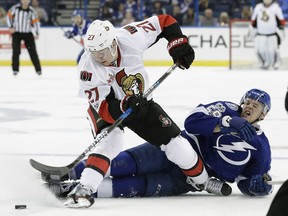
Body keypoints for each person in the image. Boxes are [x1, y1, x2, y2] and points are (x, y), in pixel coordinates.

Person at [58, 14, 232, 208]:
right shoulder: (87, 69)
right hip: (108, 107)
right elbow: (105, 109)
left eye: (102, 51)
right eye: (93, 52)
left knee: (178, 146)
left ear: (114, 42)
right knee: (111, 141)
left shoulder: (131, 37)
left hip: (141, 103)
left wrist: (177, 45)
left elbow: (164, 21)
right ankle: (85, 188)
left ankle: (202, 181)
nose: (98, 57)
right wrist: (124, 105)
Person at [44, 89, 273, 201]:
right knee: (123, 163)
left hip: (189, 181)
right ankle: (66, 173)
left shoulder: (261, 147)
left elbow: (245, 182)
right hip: (176, 150)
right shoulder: (225, 109)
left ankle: (70, 190)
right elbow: (192, 123)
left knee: (130, 188)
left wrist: (256, 187)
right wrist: (225, 122)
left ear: (263, 116)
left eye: (257, 106)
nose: (249, 107)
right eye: (248, 102)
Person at [6, 0, 42, 76]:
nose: (25, 1)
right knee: (16, 52)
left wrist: (37, 32)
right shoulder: (15, 8)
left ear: (29, 1)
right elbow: (8, 16)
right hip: (17, 34)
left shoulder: (32, 10)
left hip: (28, 34)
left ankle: (38, 70)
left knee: (33, 52)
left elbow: (36, 22)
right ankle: (15, 70)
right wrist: (10, 27)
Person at [249, 0, 286, 70]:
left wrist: (281, 29)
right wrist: (252, 29)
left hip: (272, 33)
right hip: (261, 33)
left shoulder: (276, 7)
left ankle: (276, 62)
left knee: (274, 50)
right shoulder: (258, 7)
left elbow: (281, 20)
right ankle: (263, 63)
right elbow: (253, 20)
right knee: (259, 50)